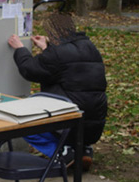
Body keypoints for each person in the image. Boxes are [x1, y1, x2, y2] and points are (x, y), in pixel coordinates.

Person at [7, 13, 107, 171]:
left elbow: (30, 69)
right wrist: (47, 47)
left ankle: (62, 152)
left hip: (67, 121)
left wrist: (20, 48)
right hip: (93, 122)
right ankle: (83, 149)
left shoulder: (57, 55)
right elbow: (66, 65)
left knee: (23, 124)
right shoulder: (89, 47)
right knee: (78, 103)